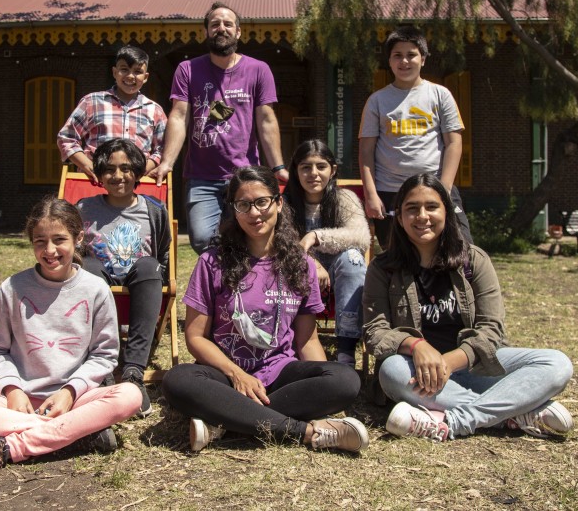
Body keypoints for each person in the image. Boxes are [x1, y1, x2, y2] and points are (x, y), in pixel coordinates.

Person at [162, 166, 369, 454]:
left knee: (345, 380)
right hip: (226, 376)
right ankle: (306, 432)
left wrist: (322, 381)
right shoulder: (213, 262)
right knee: (178, 380)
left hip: (281, 374)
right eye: (243, 205)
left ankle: (225, 421)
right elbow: (196, 337)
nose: (254, 212)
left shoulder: (301, 263)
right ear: (233, 210)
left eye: (262, 202)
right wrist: (237, 375)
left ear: (278, 203)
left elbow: (307, 341)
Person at [0, 196, 142, 471]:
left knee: (130, 395)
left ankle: (14, 447)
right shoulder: (12, 288)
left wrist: (69, 391)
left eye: (59, 240)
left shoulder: (95, 289)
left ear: (78, 238)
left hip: (75, 399)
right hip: (17, 402)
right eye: (40, 241)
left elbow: (104, 355)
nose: (50, 250)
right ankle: (72, 434)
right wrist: (12, 389)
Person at [362, 173, 574, 442]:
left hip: (476, 367)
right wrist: (416, 346)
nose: (422, 216)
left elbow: (491, 330)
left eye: (431, 207)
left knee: (556, 363)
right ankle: (515, 411)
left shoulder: (473, 260)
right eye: (411, 208)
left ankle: (455, 421)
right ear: (400, 218)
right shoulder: (383, 268)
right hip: (418, 372)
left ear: (447, 212)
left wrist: (449, 362)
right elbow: (375, 332)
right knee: (391, 371)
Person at [154, 2, 289, 254]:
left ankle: (239, 288)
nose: (221, 28)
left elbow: (266, 120)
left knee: (249, 237)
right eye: (215, 24)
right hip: (201, 175)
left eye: (228, 24)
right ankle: (221, 286)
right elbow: (179, 116)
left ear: (238, 32)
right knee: (203, 239)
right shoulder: (187, 70)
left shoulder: (258, 70)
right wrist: (167, 162)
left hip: (245, 175)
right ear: (206, 31)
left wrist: (278, 166)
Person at [76, 139, 171, 418]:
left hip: (139, 282)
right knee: (88, 269)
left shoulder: (154, 209)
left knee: (150, 266)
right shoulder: (84, 208)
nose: (118, 176)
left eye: (126, 168)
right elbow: (75, 250)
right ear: (99, 174)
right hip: (99, 282)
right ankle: (103, 367)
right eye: (110, 169)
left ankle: (133, 372)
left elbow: (163, 251)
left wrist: (157, 271)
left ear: (139, 172)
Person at [358, 26, 472, 247]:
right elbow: (366, 151)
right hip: (390, 191)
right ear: (389, 61)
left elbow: (454, 143)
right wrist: (371, 194)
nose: (404, 62)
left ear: (423, 59)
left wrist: (445, 188)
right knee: (397, 256)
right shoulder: (377, 101)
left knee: (460, 249)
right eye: (397, 56)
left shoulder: (440, 95)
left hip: (435, 186)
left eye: (411, 55)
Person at [284, 140, 371, 367]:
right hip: (297, 269)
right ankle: (290, 346)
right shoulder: (284, 203)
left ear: (332, 170)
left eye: (321, 166)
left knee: (353, 258)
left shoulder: (345, 199)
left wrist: (315, 236)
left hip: (339, 271)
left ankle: (346, 352)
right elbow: (281, 244)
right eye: (305, 167)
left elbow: (361, 236)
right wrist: (311, 262)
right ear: (296, 170)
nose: (313, 173)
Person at [57, 46, 167, 183]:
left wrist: (142, 170)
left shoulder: (155, 110)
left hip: (137, 186)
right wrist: (88, 166)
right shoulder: (92, 102)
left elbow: (163, 148)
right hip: (95, 183)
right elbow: (66, 138)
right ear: (115, 72)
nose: (130, 76)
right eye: (124, 69)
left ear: (145, 77)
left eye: (137, 71)